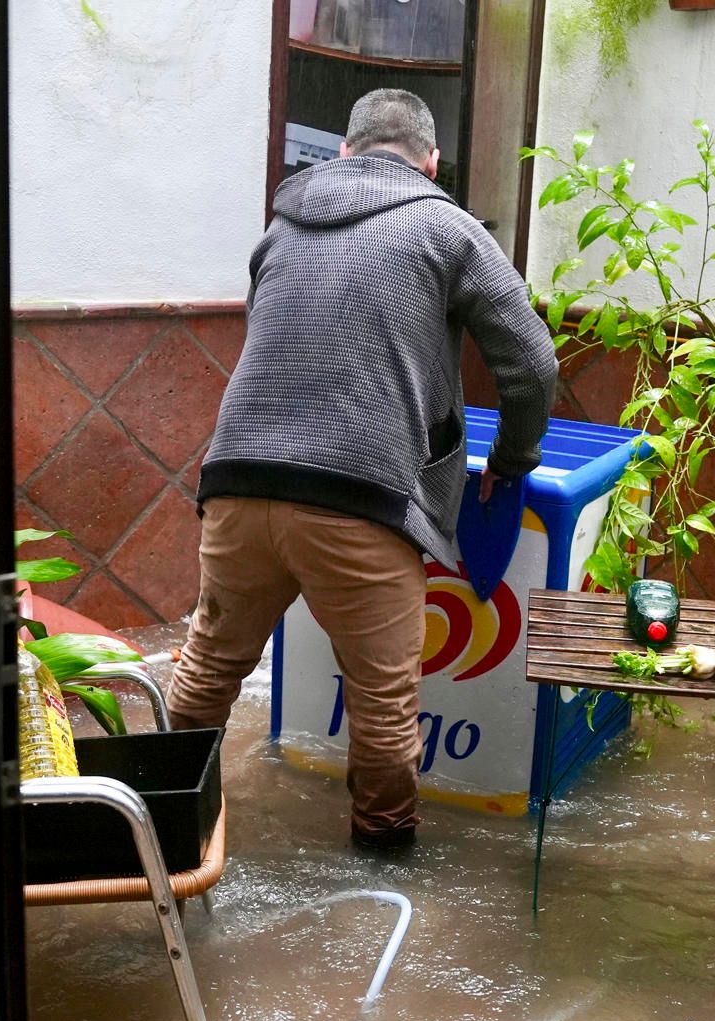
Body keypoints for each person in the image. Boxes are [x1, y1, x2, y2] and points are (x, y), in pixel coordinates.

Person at [167, 88, 559, 851]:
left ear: (344, 152)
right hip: (360, 497)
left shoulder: (280, 227)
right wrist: (509, 464)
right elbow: (533, 363)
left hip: (236, 484)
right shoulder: (449, 228)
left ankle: (169, 834)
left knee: (210, 669)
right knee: (383, 707)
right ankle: (382, 867)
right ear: (432, 162)